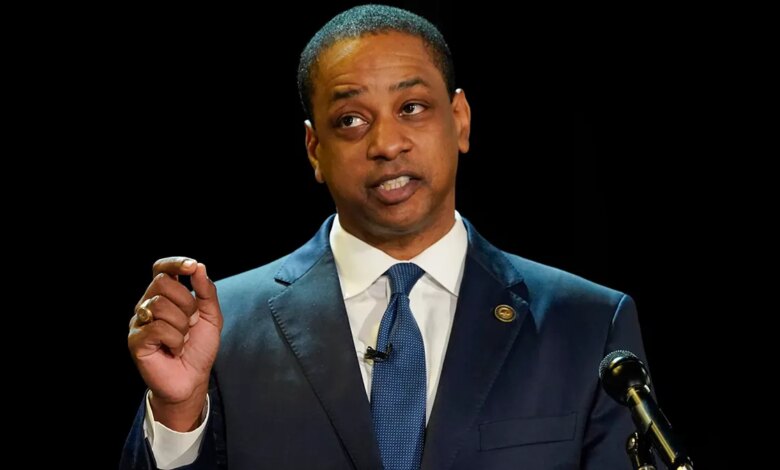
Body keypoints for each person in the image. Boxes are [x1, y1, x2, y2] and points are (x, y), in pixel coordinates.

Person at [121, 5, 649, 469]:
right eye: (350, 119)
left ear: (460, 120)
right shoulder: (220, 331)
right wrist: (176, 415)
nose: (387, 144)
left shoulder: (586, 324)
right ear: (314, 150)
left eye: (412, 108)